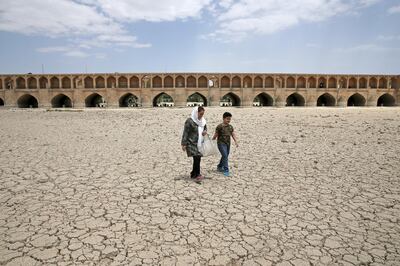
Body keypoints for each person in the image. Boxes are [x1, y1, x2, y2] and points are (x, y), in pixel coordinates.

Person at [181, 106, 208, 182]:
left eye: (202, 114)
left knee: (198, 158)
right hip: (192, 143)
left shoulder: (203, 121)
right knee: (197, 158)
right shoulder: (189, 121)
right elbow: (185, 133)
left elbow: (205, 127)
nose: (201, 116)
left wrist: (205, 131)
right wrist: (183, 144)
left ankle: (193, 173)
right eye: (200, 114)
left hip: (200, 142)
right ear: (196, 113)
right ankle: (197, 174)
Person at [212, 112, 238, 177]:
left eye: (229, 119)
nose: (228, 120)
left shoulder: (230, 127)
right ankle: (226, 170)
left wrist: (236, 141)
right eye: (227, 119)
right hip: (221, 143)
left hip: (228, 144)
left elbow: (232, 134)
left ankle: (220, 166)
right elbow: (216, 134)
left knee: (225, 156)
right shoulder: (220, 126)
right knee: (225, 156)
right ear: (223, 118)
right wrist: (212, 140)